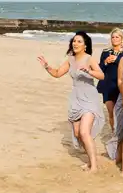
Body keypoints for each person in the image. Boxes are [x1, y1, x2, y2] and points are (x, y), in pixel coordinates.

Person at [38, 32, 106, 173]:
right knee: (77, 133)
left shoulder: (89, 59)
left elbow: (102, 75)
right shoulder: (70, 60)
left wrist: (89, 71)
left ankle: (93, 167)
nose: (75, 43)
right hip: (76, 98)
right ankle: (90, 159)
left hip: (89, 98)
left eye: (79, 41)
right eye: (74, 41)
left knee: (84, 131)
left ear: (85, 45)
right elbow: (57, 73)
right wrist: (46, 66)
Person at [97, 29, 123, 129]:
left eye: (117, 37)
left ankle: (121, 133)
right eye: (113, 37)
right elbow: (100, 69)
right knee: (111, 112)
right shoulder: (105, 52)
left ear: (122, 38)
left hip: (120, 85)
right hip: (107, 85)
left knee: (121, 112)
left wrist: (117, 60)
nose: (114, 39)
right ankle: (114, 134)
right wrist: (105, 62)